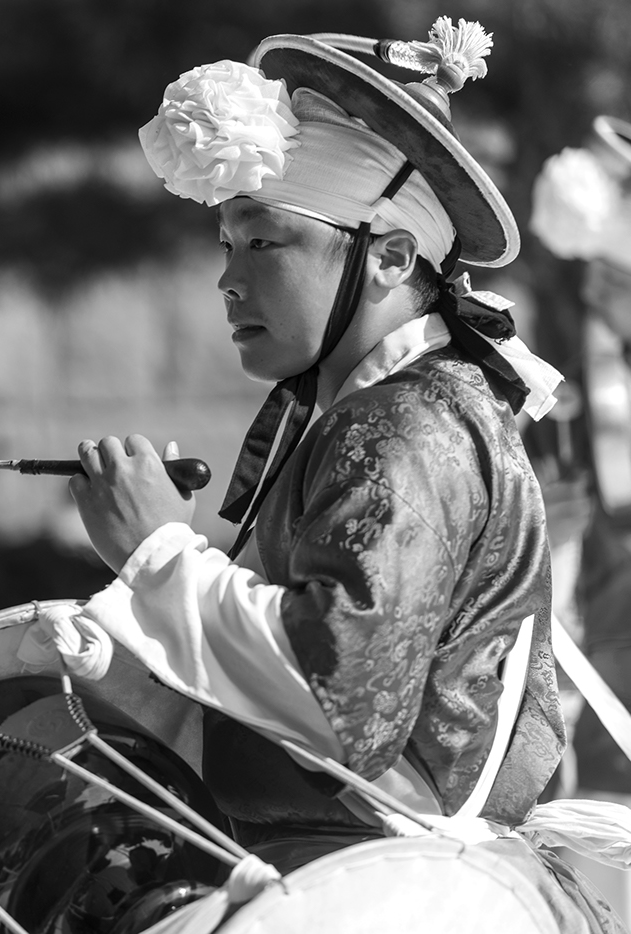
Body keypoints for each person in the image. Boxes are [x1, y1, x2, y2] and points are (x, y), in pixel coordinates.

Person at [61, 17, 625, 931]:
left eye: (267, 243)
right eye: (227, 247)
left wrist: (163, 553)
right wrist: (182, 550)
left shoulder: (408, 422)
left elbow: (345, 704)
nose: (229, 281)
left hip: (388, 883)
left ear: (392, 258)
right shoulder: (376, 412)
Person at [529, 119, 631, 797]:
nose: (601, 292)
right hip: (595, 587)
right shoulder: (570, 365)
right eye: (600, 278)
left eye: (615, 280)